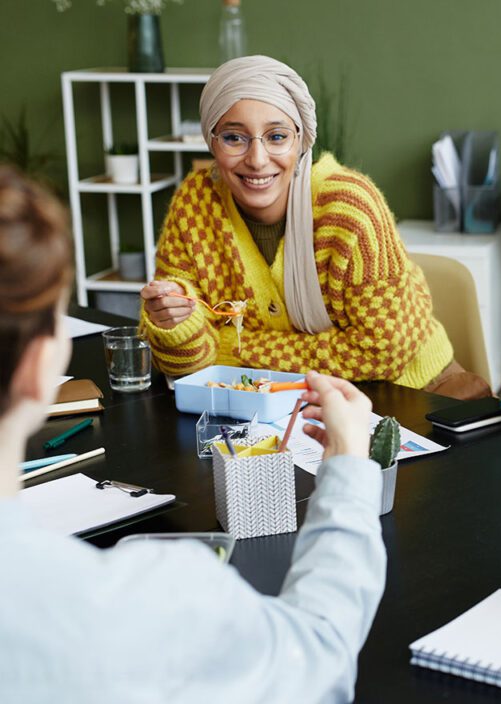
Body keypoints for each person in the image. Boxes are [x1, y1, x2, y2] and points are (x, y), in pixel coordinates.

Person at [0, 168, 386, 700]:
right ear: (42, 360)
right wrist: (348, 469)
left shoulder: (347, 207)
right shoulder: (148, 600)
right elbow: (317, 656)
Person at [140, 55, 489, 400]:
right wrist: (173, 327)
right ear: (211, 141)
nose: (257, 159)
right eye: (234, 138)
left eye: (276, 136)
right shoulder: (195, 205)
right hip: (284, 412)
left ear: (301, 140)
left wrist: (231, 348)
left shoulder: (349, 209)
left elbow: (383, 351)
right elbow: (184, 366)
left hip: (415, 394)